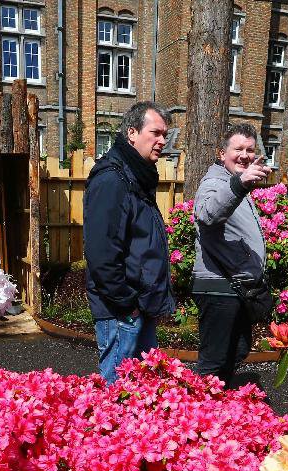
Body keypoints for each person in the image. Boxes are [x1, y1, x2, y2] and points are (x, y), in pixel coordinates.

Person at [83, 101, 175, 383]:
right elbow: (101, 254)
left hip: (139, 307)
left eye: (165, 135)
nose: (162, 141)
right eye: (155, 133)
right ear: (132, 133)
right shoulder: (113, 180)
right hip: (121, 312)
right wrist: (127, 303)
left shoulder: (137, 177)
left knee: (141, 391)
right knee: (118, 392)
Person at [192, 123, 272, 384]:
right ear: (221, 153)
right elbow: (208, 214)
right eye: (238, 149)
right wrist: (239, 184)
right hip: (219, 288)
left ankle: (221, 401)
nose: (245, 155)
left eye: (250, 150)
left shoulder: (234, 183)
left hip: (235, 289)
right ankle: (200, 405)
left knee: (235, 352)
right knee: (213, 364)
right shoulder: (215, 182)